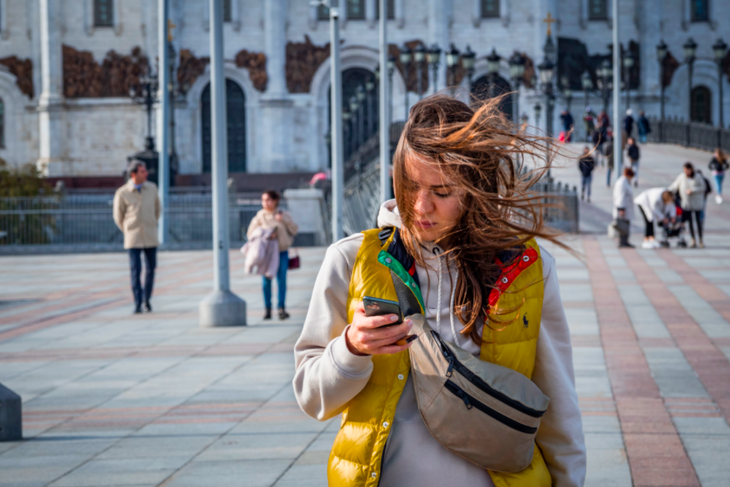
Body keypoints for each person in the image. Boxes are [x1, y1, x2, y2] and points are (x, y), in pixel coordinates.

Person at [293, 96, 586, 487]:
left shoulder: (524, 268)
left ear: (474, 188)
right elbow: (312, 397)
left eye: (443, 191)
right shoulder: (351, 261)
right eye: (409, 186)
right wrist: (351, 347)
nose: (420, 206)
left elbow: (559, 408)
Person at [113, 160, 161, 314]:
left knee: (151, 269)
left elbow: (157, 210)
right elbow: (118, 216)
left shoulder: (152, 188)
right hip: (133, 237)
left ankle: (147, 299)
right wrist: (127, 229)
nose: (146, 173)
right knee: (135, 270)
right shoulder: (122, 192)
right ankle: (137, 302)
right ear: (133, 174)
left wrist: (151, 223)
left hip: (150, 235)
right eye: (142, 171)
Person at [247, 190, 298, 319]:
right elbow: (250, 234)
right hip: (267, 253)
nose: (265, 203)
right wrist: (266, 234)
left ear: (275, 201)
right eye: (263, 200)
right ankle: (267, 309)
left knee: (282, 280)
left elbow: (294, 230)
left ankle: (281, 308)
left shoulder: (283, 214)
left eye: (268, 200)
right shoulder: (260, 216)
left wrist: (283, 221)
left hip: (282, 251)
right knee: (266, 281)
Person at [669, 162, 706, 248]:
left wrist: (692, 190)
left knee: (698, 221)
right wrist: (667, 192)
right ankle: (693, 240)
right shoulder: (682, 176)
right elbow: (674, 185)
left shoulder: (697, 176)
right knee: (690, 222)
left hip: (697, 203)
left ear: (691, 169)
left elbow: (703, 187)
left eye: (687, 170)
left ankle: (700, 240)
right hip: (686, 204)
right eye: (685, 170)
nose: (686, 172)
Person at [613, 167, 635, 248]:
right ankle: (622, 241)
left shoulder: (625, 182)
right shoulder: (622, 182)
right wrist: (621, 208)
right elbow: (620, 196)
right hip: (623, 208)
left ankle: (625, 241)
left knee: (625, 225)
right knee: (622, 225)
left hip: (626, 207)